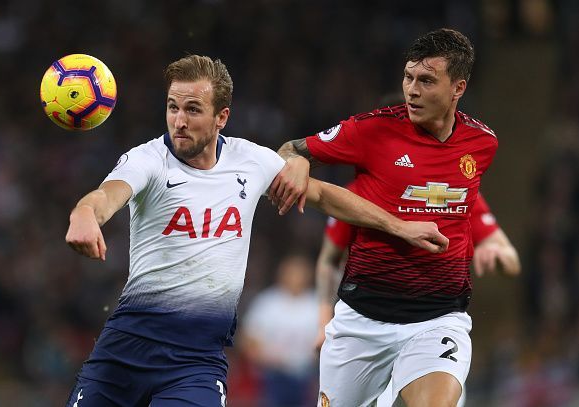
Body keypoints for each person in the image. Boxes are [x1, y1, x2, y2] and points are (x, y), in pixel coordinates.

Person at [64, 54, 448, 406]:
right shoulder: (147, 160)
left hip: (195, 364)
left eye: (193, 110)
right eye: (172, 107)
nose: (179, 121)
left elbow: (325, 196)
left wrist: (400, 226)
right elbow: (105, 197)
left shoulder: (251, 161)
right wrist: (84, 213)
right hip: (123, 354)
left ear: (222, 117)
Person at [270, 28, 499, 406]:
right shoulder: (372, 129)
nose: (412, 90)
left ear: (458, 88)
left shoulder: (482, 143)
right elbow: (286, 152)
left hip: (438, 317)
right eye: (408, 77)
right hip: (363, 319)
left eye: (426, 81)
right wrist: (294, 161)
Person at [316, 191, 521, 406]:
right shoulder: (367, 188)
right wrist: (322, 321)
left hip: (433, 326)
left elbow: (511, 259)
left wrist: (495, 251)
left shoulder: (459, 188)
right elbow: (329, 260)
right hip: (367, 326)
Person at [240, 254, 319, 407]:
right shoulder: (267, 302)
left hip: (307, 376)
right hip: (272, 376)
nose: (295, 277)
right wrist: (268, 359)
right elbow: (248, 340)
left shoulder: (316, 304)